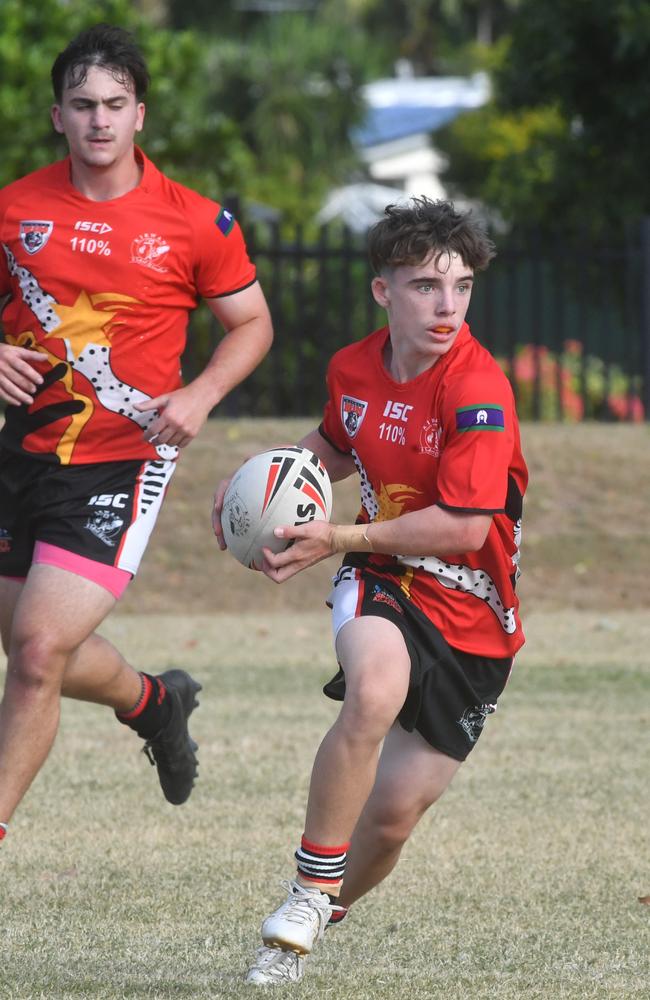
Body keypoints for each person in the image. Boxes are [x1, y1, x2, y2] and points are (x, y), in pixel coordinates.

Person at [213, 197, 528, 985]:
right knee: (375, 688)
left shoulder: (479, 390)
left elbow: (460, 528)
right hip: (384, 577)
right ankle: (310, 886)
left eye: (460, 287)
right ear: (384, 291)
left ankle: (315, 911)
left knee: (389, 824)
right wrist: (265, 492)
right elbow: (333, 445)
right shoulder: (353, 368)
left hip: (475, 614)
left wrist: (335, 537)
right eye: (425, 285)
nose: (446, 305)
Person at [0, 23, 273, 846]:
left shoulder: (195, 222)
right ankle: (156, 704)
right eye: (82, 105)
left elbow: (253, 325)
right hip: (19, 454)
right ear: (57, 116)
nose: (99, 121)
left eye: (115, 104)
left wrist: (200, 393)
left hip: (121, 462)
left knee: (39, 651)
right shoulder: (14, 208)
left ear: (141, 115)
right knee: (29, 646)